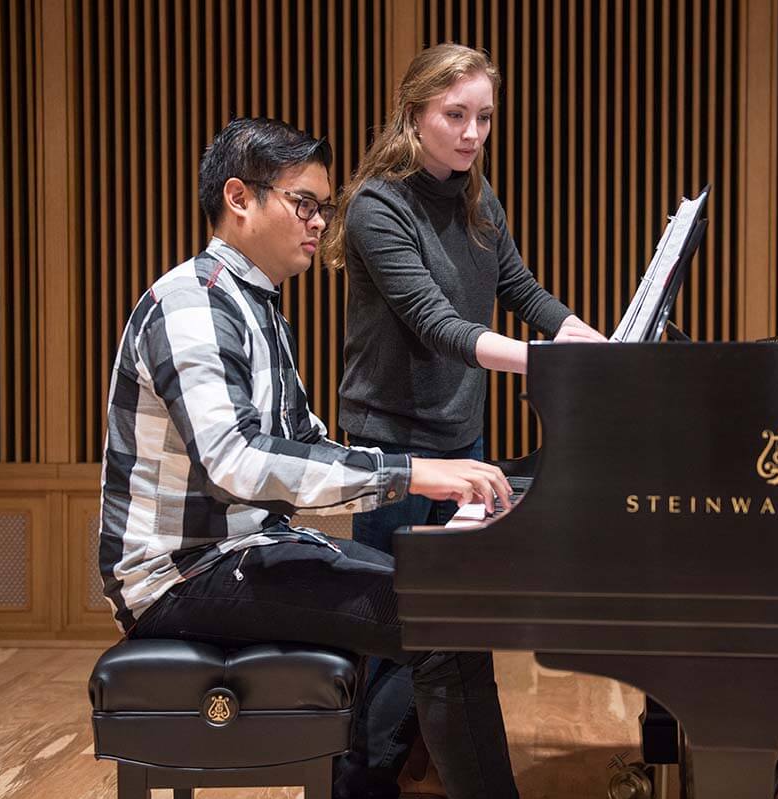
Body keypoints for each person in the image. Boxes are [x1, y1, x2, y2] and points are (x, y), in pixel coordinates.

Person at [98, 116, 520, 799]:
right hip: (180, 576)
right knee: (443, 623)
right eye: (305, 203)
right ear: (239, 198)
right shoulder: (191, 305)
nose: (322, 222)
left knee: (447, 605)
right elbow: (234, 461)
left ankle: (360, 782)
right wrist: (412, 472)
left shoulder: (257, 310)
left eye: (324, 207)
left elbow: (305, 445)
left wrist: (418, 477)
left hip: (242, 552)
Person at [320, 42, 606, 797]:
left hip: (462, 438)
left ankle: (402, 764)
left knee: (445, 631)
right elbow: (438, 322)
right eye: (456, 115)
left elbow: (522, 289)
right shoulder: (381, 205)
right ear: (415, 113)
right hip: (392, 449)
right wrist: (544, 363)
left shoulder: (479, 198)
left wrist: (584, 335)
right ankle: (360, 778)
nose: (473, 132)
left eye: (483, 116)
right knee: (404, 633)